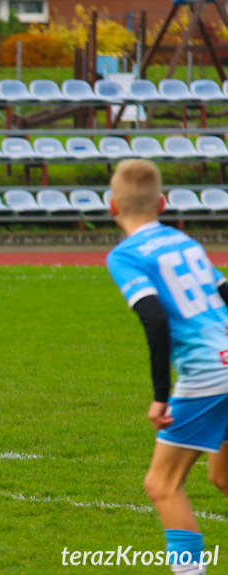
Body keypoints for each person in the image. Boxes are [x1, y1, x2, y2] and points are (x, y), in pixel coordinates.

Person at [106, 159, 228, 574]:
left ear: (112, 207)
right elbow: (225, 290)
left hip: (208, 375)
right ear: (161, 202)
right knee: (222, 477)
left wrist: (160, 398)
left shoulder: (125, 256)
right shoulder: (185, 243)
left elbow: (155, 318)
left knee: (162, 485)